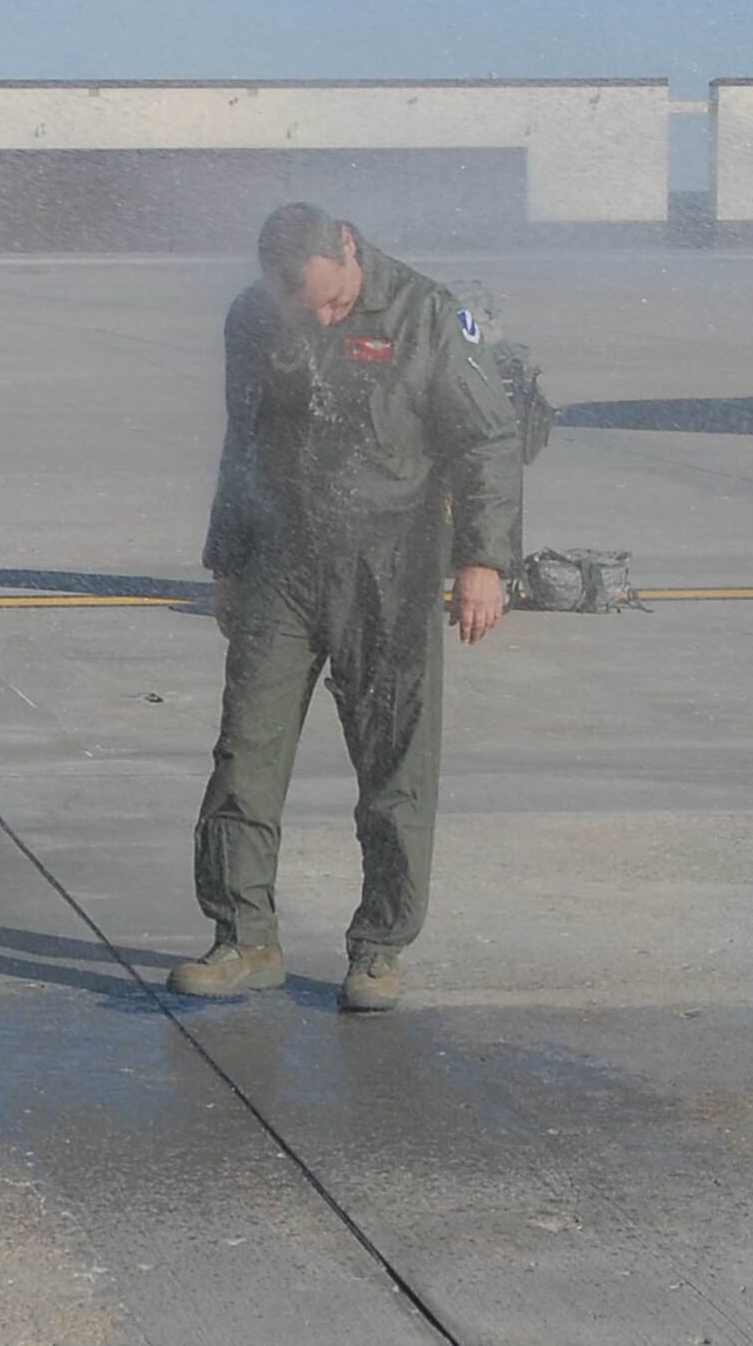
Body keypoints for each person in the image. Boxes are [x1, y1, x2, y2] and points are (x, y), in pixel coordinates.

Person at [168, 203, 522, 1013]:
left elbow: (487, 440)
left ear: (350, 248)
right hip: (281, 564)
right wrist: (226, 559)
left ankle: (379, 948)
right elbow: (244, 438)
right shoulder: (254, 317)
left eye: (331, 301)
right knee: (244, 756)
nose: (321, 317)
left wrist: (483, 558)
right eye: (305, 306)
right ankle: (243, 938)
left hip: (388, 568)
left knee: (395, 767)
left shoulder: (428, 313)